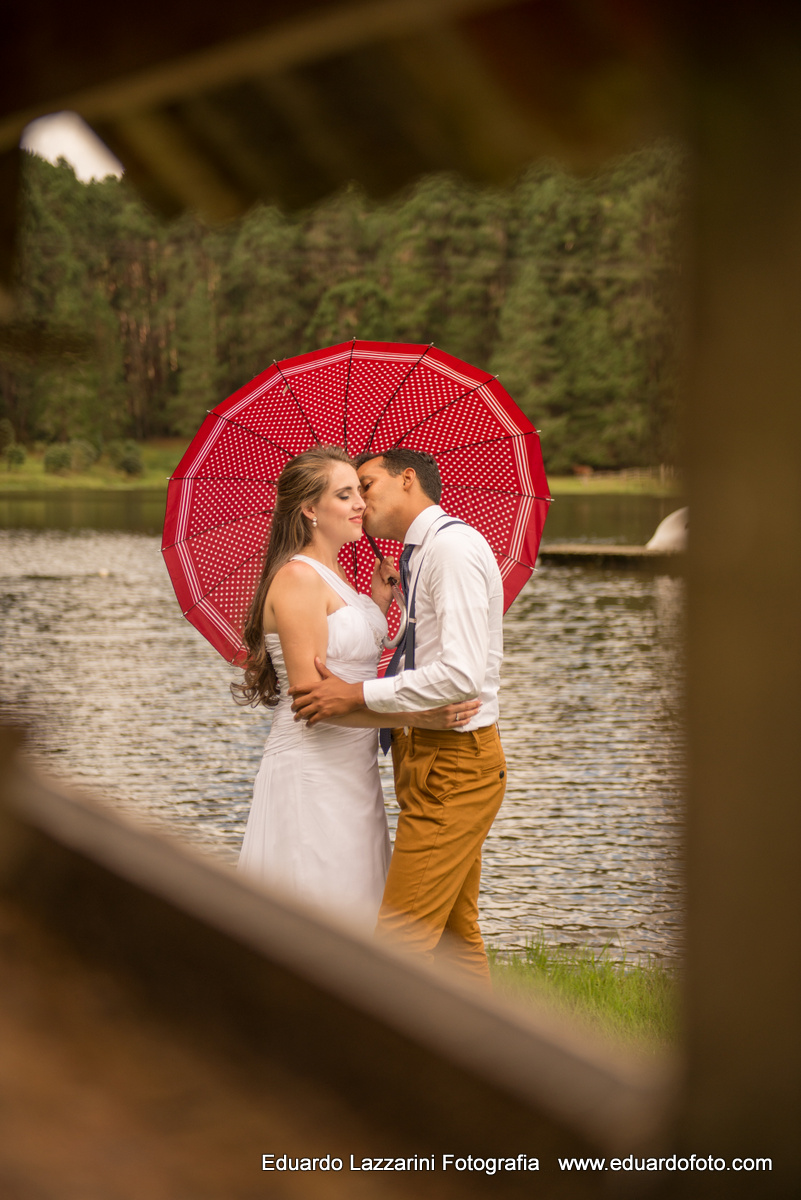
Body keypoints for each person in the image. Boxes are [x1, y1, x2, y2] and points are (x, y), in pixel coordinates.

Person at [234, 445, 477, 923]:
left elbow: (351, 660)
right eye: (345, 495)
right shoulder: (298, 579)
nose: (361, 504)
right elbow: (314, 700)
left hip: (355, 769)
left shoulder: (337, 573)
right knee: (319, 912)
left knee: (361, 910)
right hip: (314, 770)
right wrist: (420, 715)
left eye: (360, 491)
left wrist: (376, 601)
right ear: (309, 509)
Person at [289, 448, 506, 982]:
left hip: (454, 763)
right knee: (456, 939)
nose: (361, 500)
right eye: (352, 491)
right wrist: (386, 607)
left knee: (398, 943)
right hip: (430, 758)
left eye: (368, 484)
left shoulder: (450, 550)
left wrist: (359, 694)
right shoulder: (421, 557)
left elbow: (461, 676)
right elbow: (425, 656)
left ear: (408, 479)